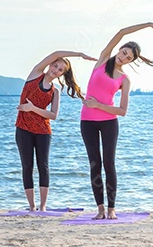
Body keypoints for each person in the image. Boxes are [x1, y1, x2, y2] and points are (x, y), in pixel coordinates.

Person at [80, 22, 153, 219]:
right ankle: (100, 208)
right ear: (120, 49)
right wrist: (148, 25)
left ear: (130, 61)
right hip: (87, 121)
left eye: (128, 57)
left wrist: (98, 106)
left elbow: (122, 110)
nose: (124, 57)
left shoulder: (124, 79)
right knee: (95, 163)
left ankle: (111, 209)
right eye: (124, 52)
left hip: (109, 122)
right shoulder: (102, 61)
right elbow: (121, 32)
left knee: (109, 163)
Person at [15, 49, 95, 211]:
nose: (56, 70)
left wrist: (32, 108)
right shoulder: (35, 74)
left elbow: (53, 115)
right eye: (55, 65)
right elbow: (56, 52)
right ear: (50, 64)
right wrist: (80, 54)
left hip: (43, 131)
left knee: (43, 166)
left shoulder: (55, 91)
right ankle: (32, 206)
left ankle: (43, 207)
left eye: (60, 70)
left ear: (61, 75)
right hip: (23, 128)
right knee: (27, 166)